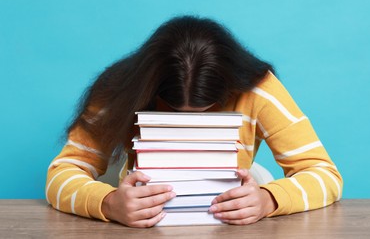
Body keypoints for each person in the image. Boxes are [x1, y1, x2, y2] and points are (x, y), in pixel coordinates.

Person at [46, 16, 343, 228]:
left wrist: (268, 200)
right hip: (137, 215)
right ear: (152, 87)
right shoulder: (120, 88)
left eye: (206, 111)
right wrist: (109, 203)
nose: (189, 125)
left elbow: (324, 174)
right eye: (173, 110)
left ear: (229, 87)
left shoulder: (258, 89)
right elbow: (62, 173)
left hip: (233, 219)